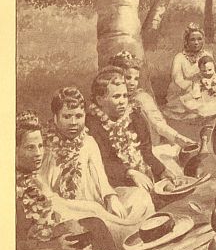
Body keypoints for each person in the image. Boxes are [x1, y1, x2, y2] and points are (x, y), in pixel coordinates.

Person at [16, 110, 121, 250]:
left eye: (41, 146)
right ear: (14, 148)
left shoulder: (33, 176)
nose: (38, 153)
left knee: (95, 225)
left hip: (47, 234)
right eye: (30, 147)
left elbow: (53, 206)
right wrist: (52, 245)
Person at [40, 87, 155, 234]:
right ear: (56, 118)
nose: (74, 122)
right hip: (67, 209)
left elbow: (102, 179)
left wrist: (110, 197)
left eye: (78, 116)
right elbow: (46, 195)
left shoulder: (88, 142)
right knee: (100, 221)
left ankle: (136, 232)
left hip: (96, 202)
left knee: (140, 197)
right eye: (67, 116)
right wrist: (89, 208)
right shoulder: (46, 148)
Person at [86, 66, 176, 194]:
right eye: (116, 97)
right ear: (100, 100)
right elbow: (103, 162)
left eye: (125, 96)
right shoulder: (92, 125)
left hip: (141, 171)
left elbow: (146, 151)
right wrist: (130, 173)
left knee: (172, 183)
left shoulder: (135, 117)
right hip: (113, 180)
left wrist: (161, 170)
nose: (123, 101)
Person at [109, 51, 194, 148]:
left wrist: (177, 137)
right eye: (128, 78)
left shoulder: (142, 98)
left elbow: (158, 123)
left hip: (145, 147)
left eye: (136, 79)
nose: (133, 83)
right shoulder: (109, 100)